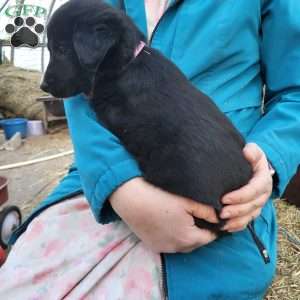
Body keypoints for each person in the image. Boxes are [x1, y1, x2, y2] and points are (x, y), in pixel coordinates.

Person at [1, 0, 300, 299]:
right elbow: (82, 90)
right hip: (100, 174)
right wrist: (119, 185)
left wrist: (269, 158)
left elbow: (295, 94)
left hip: (223, 191)